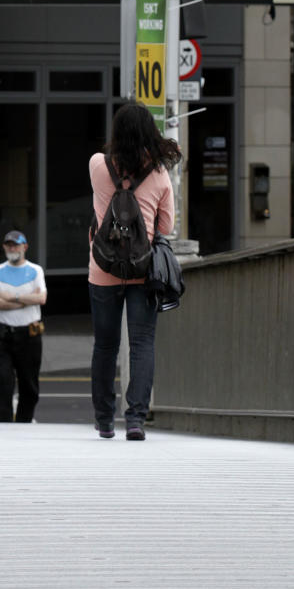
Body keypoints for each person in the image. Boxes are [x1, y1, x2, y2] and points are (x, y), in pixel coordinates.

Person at [88, 101, 177, 441]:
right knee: (141, 344)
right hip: (144, 271)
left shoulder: (98, 165)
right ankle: (136, 419)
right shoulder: (158, 173)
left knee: (105, 345)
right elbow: (166, 224)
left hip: (103, 269)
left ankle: (104, 420)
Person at [0, 230, 47, 424]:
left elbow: (41, 298)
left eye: (16, 245)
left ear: (25, 247)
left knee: (29, 386)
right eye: (8, 245)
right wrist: (27, 300)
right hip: (2, 335)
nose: (12, 248)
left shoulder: (36, 270)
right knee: (3, 384)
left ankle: (24, 424)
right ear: (4, 247)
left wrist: (11, 297)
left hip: (29, 335)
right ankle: (4, 426)